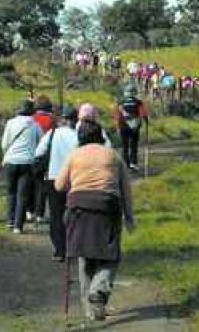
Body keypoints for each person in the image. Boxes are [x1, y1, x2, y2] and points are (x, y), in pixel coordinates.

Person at [55, 120, 135, 322]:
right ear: (100, 136)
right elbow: (126, 189)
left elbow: (59, 185)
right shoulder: (113, 155)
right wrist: (129, 217)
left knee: (85, 256)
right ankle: (98, 292)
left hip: (78, 208)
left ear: (80, 137)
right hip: (107, 207)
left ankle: (90, 309)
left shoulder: (74, 155)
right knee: (111, 256)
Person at [36, 106, 111, 262]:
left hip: (53, 177)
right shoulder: (78, 136)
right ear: (76, 119)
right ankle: (74, 246)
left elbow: (38, 152)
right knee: (75, 214)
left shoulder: (52, 133)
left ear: (62, 119)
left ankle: (59, 250)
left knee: (56, 215)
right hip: (75, 178)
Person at [1, 100, 42, 234]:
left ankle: (10, 221)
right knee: (22, 194)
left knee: (11, 192)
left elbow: (4, 143)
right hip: (27, 162)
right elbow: (41, 142)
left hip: (11, 161)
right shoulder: (35, 125)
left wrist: (6, 154)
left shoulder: (10, 123)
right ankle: (18, 226)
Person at [29, 96, 55, 224]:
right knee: (42, 186)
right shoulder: (51, 120)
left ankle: (29, 210)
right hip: (45, 156)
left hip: (30, 154)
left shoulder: (31, 119)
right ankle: (39, 213)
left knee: (29, 184)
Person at [116, 87, 149, 171]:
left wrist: (118, 127)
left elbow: (118, 116)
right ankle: (133, 163)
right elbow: (143, 114)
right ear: (134, 93)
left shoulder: (121, 102)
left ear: (125, 92)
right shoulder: (138, 102)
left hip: (123, 126)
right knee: (134, 145)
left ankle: (125, 164)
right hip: (135, 127)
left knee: (125, 146)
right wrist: (146, 121)